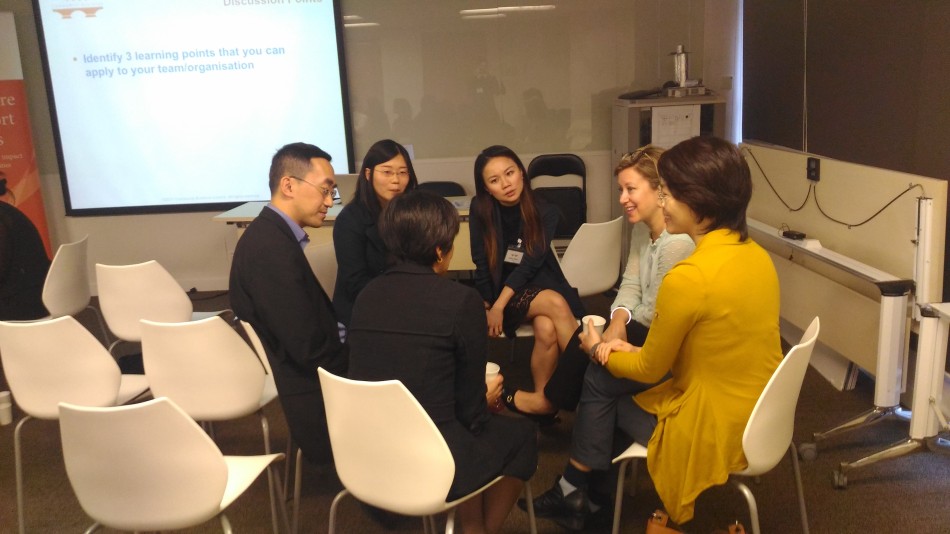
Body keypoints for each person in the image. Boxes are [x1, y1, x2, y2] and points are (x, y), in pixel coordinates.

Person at [526, 136, 783, 530]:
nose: (662, 202)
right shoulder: (756, 255)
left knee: (603, 390)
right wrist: (625, 344)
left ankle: (582, 497)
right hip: (760, 411)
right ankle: (583, 498)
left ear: (696, 201)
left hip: (714, 426)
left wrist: (596, 348)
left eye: (667, 194)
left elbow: (649, 369)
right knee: (606, 387)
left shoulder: (689, 275)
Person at [347, 190, 537, 534]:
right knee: (520, 434)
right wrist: (486, 395)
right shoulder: (460, 301)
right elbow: (471, 414)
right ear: (439, 250)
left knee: (461, 425)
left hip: (367, 455)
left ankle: (473, 523)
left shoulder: (366, 295)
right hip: (433, 460)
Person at [229, 142, 348, 465]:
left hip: (314, 377)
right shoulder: (269, 251)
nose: (329, 202)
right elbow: (308, 349)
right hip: (316, 395)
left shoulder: (271, 237)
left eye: (332, 193)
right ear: (288, 185)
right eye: (325, 190)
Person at [469, 145, 588, 420]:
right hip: (502, 291)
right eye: (495, 180)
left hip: (538, 281)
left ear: (521, 173)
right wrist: (489, 303)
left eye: (510, 173)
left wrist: (499, 306)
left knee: (546, 327)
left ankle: (544, 403)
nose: (506, 183)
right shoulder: (480, 209)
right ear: (486, 188)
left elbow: (530, 264)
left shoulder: (546, 210)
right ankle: (592, 385)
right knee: (555, 304)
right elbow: (480, 260)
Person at [601, 146, 694, 346]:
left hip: (666, 339)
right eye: (621, 190)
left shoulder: (677, 242)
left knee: (597, 345)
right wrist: (618, 319)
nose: (622, 199)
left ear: (660, 190)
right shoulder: (641, 229)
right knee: (595, 336)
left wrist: (624, 318)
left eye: (630, 189)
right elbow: (631, 283)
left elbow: (654, 315)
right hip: (639, 324)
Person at [332, 139, 418, 327]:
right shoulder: (350, 219)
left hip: (406, 305)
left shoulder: (410, 214)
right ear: (368, 174)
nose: (396, 180)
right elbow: (356, 283)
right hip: (362, 313)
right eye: (387, 172)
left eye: (403, 172)